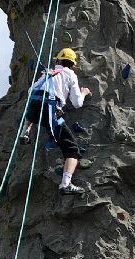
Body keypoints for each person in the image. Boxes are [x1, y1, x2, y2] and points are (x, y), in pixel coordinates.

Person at [20, 47, 91, 196]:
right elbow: (77, 103)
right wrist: (84, 93)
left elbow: (31, 91)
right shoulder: (71, 74)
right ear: (72, 64)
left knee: (35, 108)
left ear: (57, 60)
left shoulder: (49, 72)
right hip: (51, 110)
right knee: (72, 149)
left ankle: (25, 132)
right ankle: (66, 184)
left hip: (34, 106)